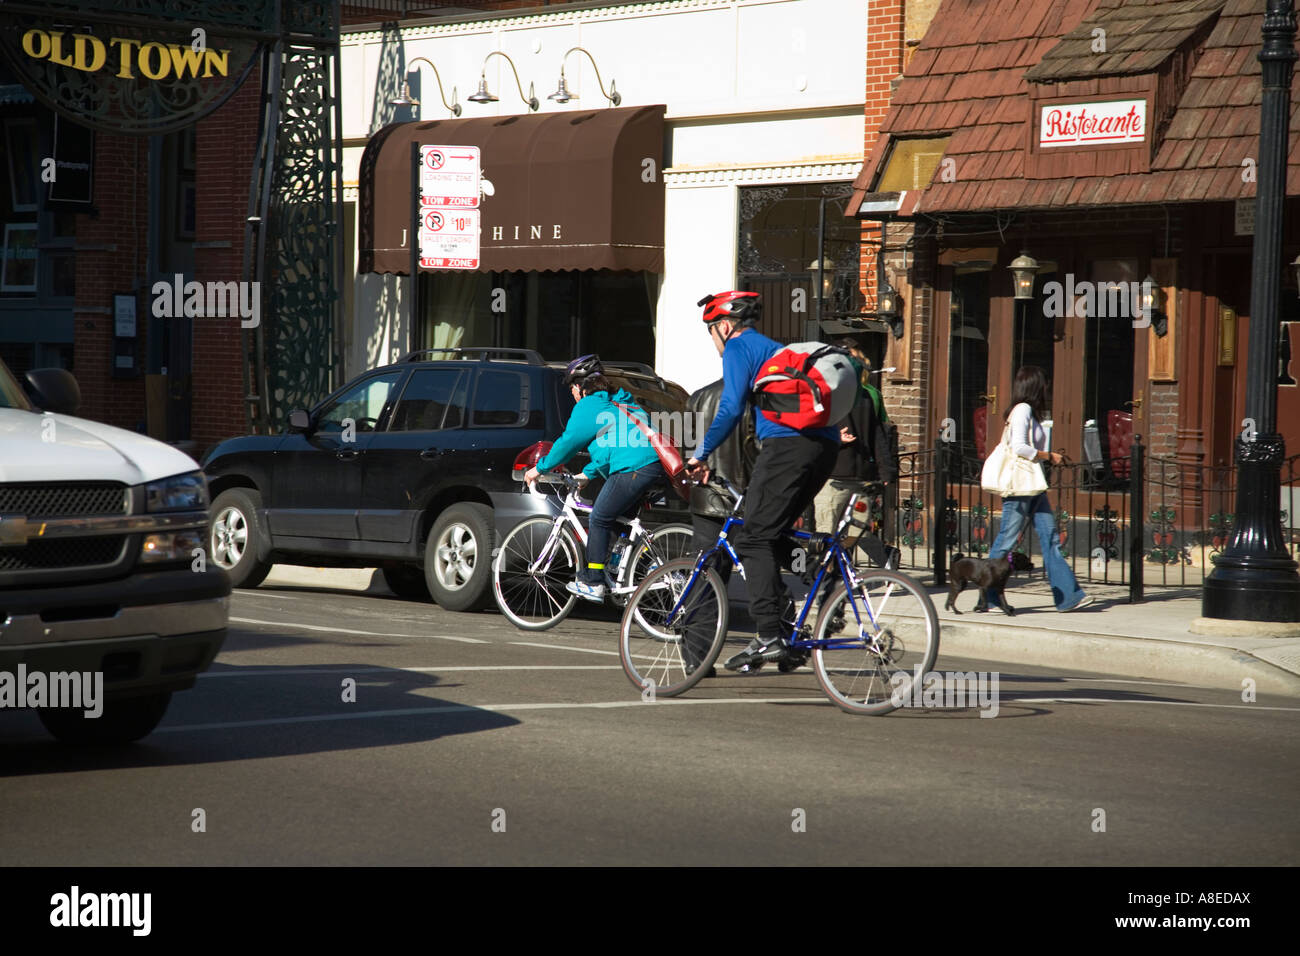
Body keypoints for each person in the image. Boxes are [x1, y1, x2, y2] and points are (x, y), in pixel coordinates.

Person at [684, 290, 841, 671]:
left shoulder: (740, 348)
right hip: (825, 446)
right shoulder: (776, 349)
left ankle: (769, 635)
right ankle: (819, 577)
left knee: (753, 538)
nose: (713, 342)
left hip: (788, 447)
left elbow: (731, 408)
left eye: (710, 332)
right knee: (771, 535)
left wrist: (701, 453)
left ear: (723, 326)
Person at [523, 354, 666, 603]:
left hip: (633, 468)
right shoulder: (619, 401)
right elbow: (615, 443)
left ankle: (593, 583)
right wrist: (588, 473)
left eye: (572, 388)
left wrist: (540, 468)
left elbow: (568, 443)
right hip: (652, 467)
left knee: (599, 517)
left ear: (580, 385)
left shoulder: (589, 405)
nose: (572, 394)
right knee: (616, 520)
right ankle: (618, 572)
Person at [985, 365, 1094, 612]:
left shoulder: (1030, 413)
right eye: (1044, 383)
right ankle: (989, 597)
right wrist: (1049, 456)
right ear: (1035, 386)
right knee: (1006, 539)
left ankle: (1068, 597)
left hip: (1033, 485)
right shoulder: (1022, 410)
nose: (1047, 387)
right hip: (1021, 486)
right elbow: (1019, 446)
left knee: (1050, 538)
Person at [681, 376, 759, 677]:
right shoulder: (758, 398)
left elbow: (688, 449)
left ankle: (695, 658)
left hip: (707, 500)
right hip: (746, 499)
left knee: (704, 578)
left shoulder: (699, 397)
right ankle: (767, 645)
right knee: (762, 574)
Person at [812, 341, 899, 569]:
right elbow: (806, 433)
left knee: (858, 528)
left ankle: (837, 570)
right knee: (826, 532)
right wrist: (833, 437)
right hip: (833, 478)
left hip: (861, 477)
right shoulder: (822, 396)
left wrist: (886, 470)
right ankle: (827, 583)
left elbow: (878, 436)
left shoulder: (866, 398)